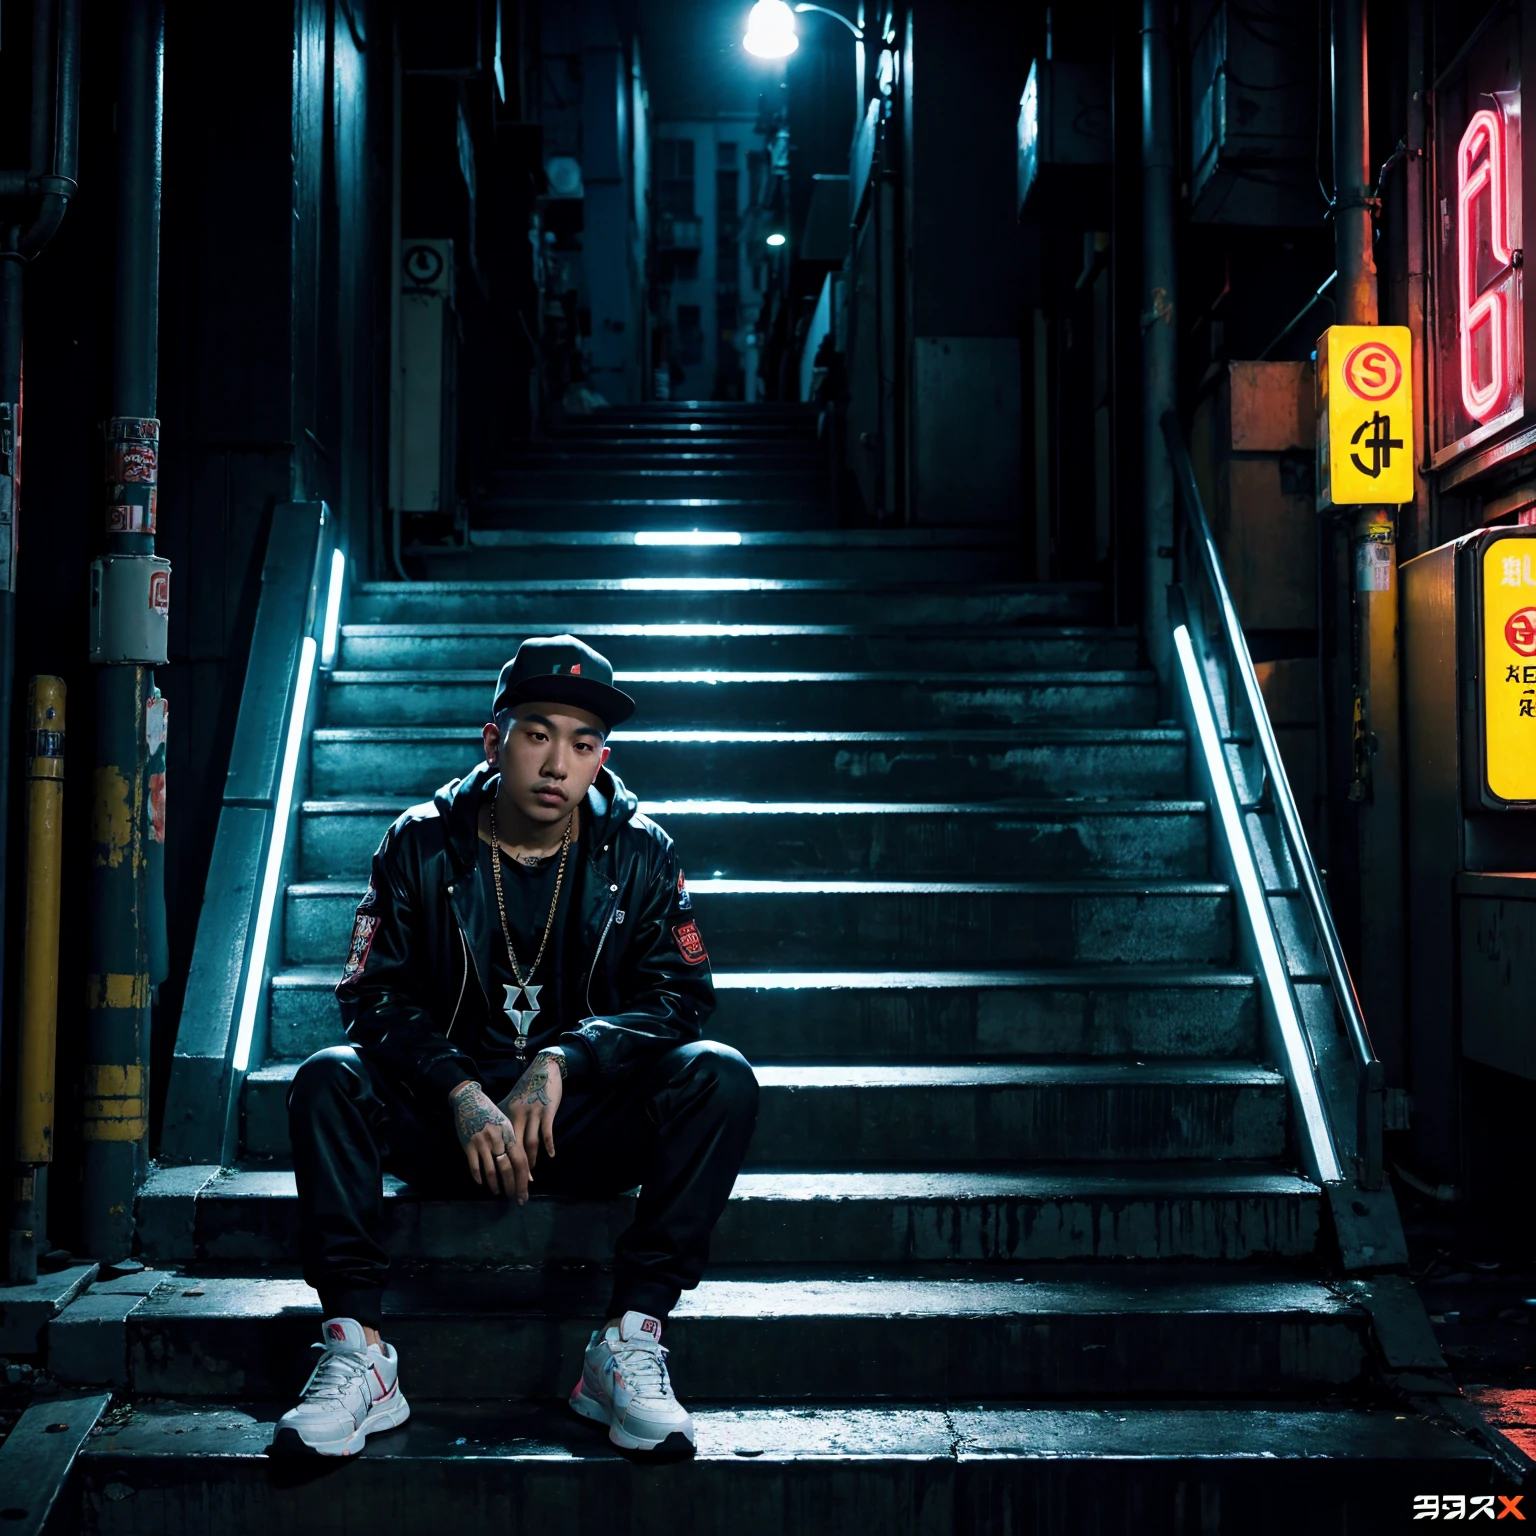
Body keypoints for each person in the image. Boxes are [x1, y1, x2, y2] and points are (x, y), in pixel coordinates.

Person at [273, 635, 759, 1459]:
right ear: (494, 739)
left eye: (582, 742)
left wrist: (566, 1060)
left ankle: (629, 1340)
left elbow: (680, 998)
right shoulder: (420, 844)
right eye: (538, 733)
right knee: (326, 1081)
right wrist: (458, 1091)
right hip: (447, 1124)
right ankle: (358, 1351)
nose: (558, 763)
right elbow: (369, 994)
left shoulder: (641, 851)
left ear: (601, 755)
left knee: (719, 1077)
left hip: (579, 1124)